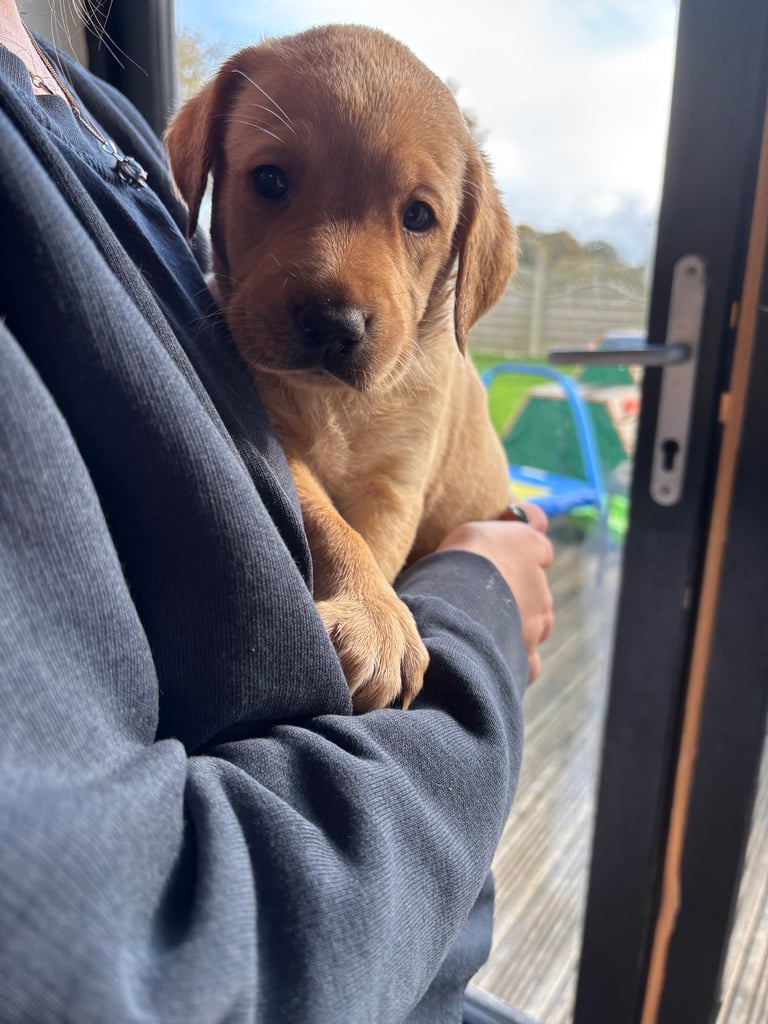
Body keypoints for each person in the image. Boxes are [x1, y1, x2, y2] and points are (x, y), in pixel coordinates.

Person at [0, 2, 554, 1021]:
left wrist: (453, 572)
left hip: (414, 919)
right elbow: (275, 470)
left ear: (461, 265)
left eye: (415, 217)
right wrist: (477, 602)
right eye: (273, 184)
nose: (339, 280)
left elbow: (383, 494)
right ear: (203, 177)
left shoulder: (95, 127)